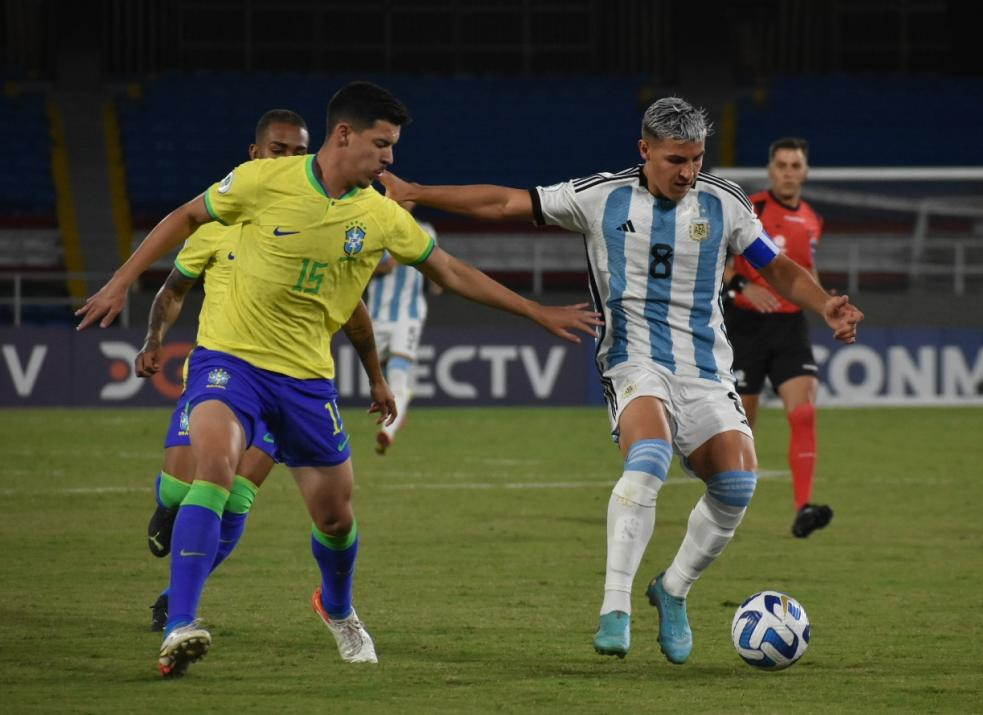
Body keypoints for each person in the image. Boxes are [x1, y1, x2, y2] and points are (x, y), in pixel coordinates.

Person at [76, 80, 600, 678]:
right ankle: (180, 625)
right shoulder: (262, 181)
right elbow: (187, 216)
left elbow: (449, 272)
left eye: (393, 147)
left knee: (336, 518)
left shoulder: (377, 216)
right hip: (230, 361)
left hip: (305, 382)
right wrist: (122, 281)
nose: (390, 159)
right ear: (344, 135)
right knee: (215, 473)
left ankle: (337, 606)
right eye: (383, 144)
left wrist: (537, 312)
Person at [382, 96, 863, 665]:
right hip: (633, 361)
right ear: (645, 150)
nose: (688, 172)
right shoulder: (600, 197)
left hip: (706, 368)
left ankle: (673, 589)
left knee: (737, 486)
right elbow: (506, 201)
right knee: (650, 454)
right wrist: (415, 193)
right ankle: (615, 605)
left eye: (697, 159)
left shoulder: (724, 202)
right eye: (676, 159)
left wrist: (823, 303)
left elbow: (775, 265)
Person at [135, 109, 387, 632]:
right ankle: (166, 510)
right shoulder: (217, 221)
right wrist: (153, 339)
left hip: (289, 382)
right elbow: (173, 289)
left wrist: (376, 377)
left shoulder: (321, 218)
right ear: (255, 155)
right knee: (184, 491)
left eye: (300, 151)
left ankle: (177, 603)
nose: (291, 160)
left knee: (235, 495)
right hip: (221, 376)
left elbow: (353, 312)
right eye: (279, 150)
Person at [722, 137, 831, 538]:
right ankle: (724, 510)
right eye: (781, 165)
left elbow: (805, 272)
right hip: (744, 327)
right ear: (771, 170)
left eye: (795, 165)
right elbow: (712, 261)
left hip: (789, 328)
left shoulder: (812, 219)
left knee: (804, 412)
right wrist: (741, 289)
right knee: (740, 428)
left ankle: (804, 508)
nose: (788, 172)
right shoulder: (748, 208)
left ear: (804, 171)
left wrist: (827, 308)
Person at [366, 201, 435, 454]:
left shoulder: (425, 230)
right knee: (380, 380)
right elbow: (370, 266)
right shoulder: (376, 229)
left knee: (398, 373)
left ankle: (388, 431)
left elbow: (432, 262)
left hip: (409, 315)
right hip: (376, 316)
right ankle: (400, 406)